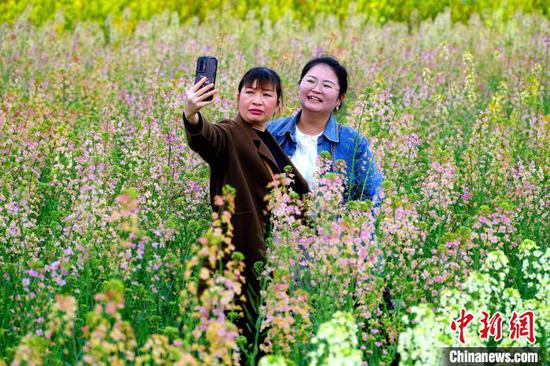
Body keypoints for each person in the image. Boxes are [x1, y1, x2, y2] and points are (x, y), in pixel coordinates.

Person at [182, 66, 309, 357]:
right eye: (250, 92)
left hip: (272, 266)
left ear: (278, 104)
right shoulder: (231, 134)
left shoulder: (270, 142)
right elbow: (207, 137)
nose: (257, 100)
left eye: (266, 94)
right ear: (237, 96)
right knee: (237, 345)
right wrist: (192, 115)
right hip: (237, 263)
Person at [267, 56, 383, 206]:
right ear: (299, 86)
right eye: (310, 81)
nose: (316, 89)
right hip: (276, 226)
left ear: (339, 99)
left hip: (332, 228)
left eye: (327, 85)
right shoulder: (271, 132)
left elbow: (373, 197)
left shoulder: (353, 143)